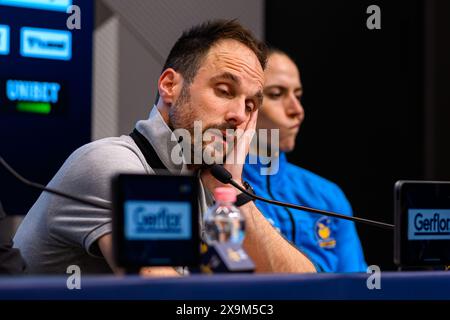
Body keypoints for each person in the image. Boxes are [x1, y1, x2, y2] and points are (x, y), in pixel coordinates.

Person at [13, 20, 317, 275]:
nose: (239, 115)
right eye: (224, 90)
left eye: (251, 104)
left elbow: (305, 289)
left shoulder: (202, 179)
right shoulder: (111, 164)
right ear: (170, 86)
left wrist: (235, 193)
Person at [243, 48, 367, 272]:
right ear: (246, 104)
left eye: (298, 95)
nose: (297, 110)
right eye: (276, 94)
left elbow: (357, 287)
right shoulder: (219, 189)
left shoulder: (329, 195)